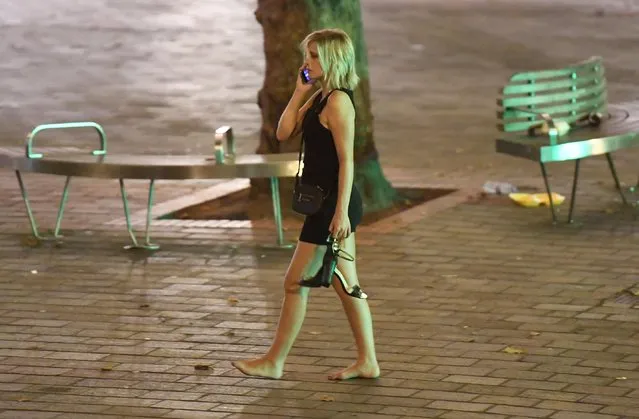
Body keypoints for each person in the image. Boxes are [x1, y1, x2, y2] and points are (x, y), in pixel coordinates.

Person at [232, 28, 380, 381]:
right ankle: (367, 361)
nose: (307, 61)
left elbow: (348, 161)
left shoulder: (339, 102)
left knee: (294, 282)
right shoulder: (319, 98)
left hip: (332, 205)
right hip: (326, 205)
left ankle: (274, 361)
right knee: (346, 284)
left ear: (332, 59)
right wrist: (300, 91)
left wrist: (341, 211)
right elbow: (283, 133)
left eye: (314, 55)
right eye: (307, 54)